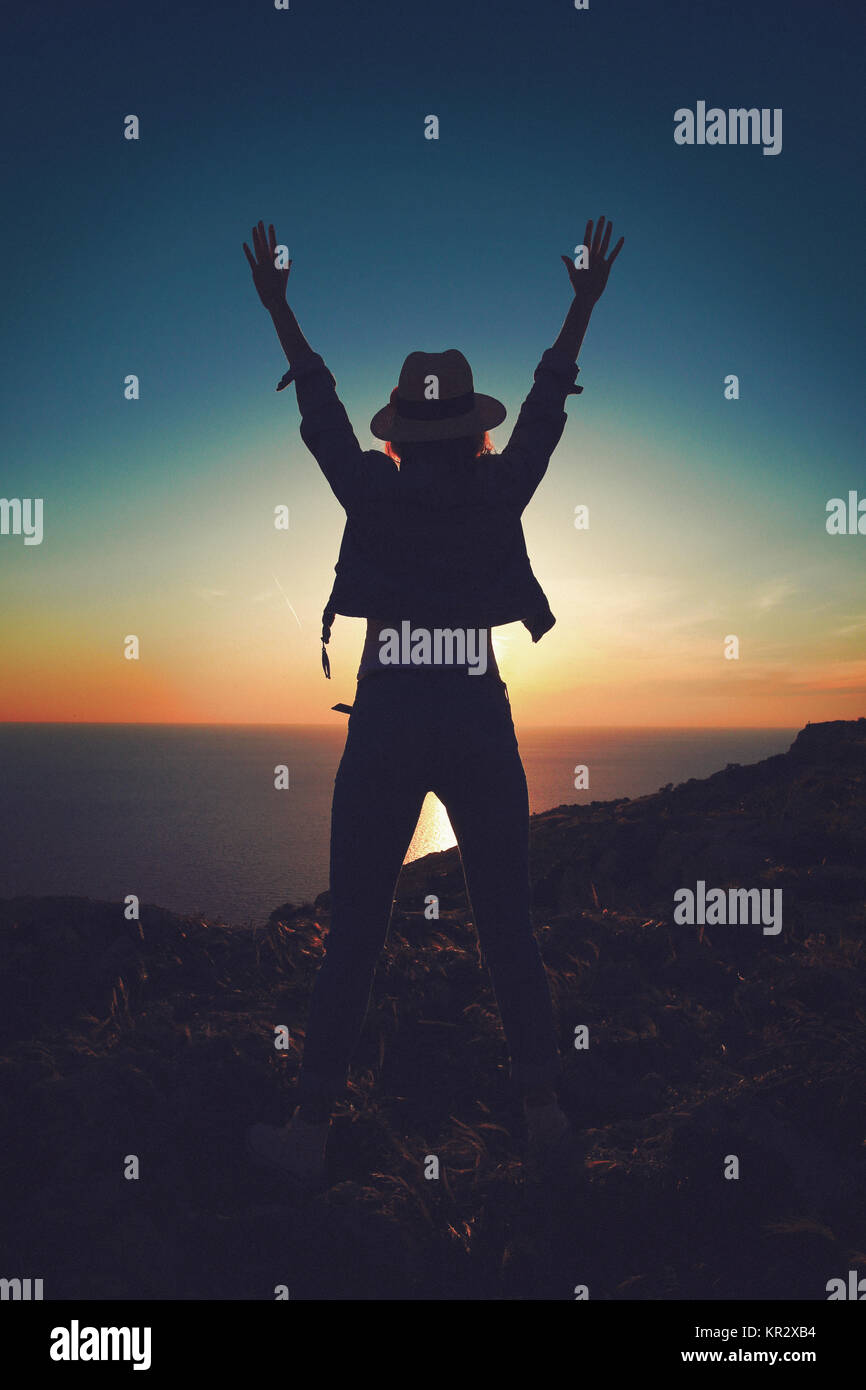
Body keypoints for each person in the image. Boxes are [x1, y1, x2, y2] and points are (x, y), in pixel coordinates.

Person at [243, 217, 624, 1189]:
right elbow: (543, 414)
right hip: (473, 713)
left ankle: (310, 1126)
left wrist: (282, 312)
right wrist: (578, 308)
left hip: (383, 725)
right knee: (506, 923)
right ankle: (540, 1112)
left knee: (356, 932)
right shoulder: (497, 493)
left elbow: (321, 417)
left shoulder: (373, 493)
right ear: (469, 425)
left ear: (404, 435)